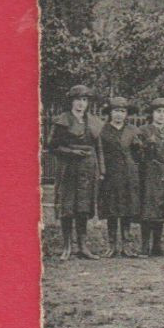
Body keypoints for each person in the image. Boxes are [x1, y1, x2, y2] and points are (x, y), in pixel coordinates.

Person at [46, 83, 101, 260]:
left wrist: (100, 169)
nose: (81, 104)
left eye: (84, 100)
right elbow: (52, 146)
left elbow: (98, 147)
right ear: (71, 101)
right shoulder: (63, 120)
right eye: (78, 100)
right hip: (68, 169)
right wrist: (72, 152)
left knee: (83, 207)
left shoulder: (92, 122)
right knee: (67, 207)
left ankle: (83, 246)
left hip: (87, 169)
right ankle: (67, 246)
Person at [97, 96, 141, 257]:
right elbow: (100, 152)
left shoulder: (133, 131)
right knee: (112, 209)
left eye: (122, 111)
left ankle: (126, 245)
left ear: (127, 114)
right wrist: (102, 172)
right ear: (110, 113)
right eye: (116, 111)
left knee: (127, 209)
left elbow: (139, 155)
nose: (119, 115)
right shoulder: (103, 131)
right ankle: (112, 245)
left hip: (128, 175)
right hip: (111, 175)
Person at [136, 97, 164, 256]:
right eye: (158, 111)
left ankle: (157, 245)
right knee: (148, 208)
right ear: (152, 113)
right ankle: (145, 245)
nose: (161, 115)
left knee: (162, 207)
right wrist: (146, 145)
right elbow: (137, 154)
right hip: (149, 173)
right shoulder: (144, 130)